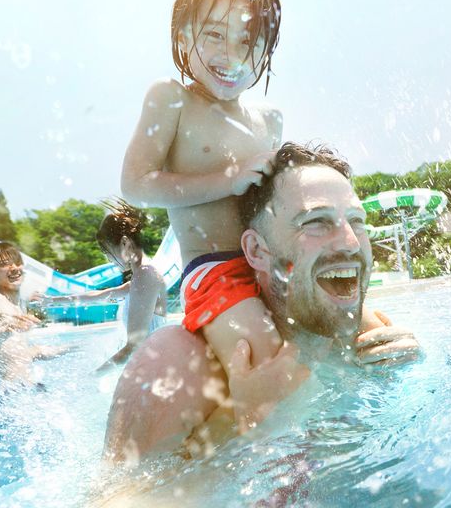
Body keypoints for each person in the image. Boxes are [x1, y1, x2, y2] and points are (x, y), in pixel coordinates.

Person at [119, 0, 392, 429]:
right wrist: (228, 179)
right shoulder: (172, 101)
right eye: (215, 35)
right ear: (183, 38)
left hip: (269, 262)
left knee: (364, 329)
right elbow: (136, 183)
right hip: (214, 269)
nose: (231, 55)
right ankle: (278, 462)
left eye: (247, 42)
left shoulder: (269, 118)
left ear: (267, 49)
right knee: (269, 357)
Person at [103, 143, 422, 465]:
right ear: (257, 251)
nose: (350, 242)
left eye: (356, 221)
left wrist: (414, 370)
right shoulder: (175, 363)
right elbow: (117, 498)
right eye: (316, 222)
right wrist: (240, 419)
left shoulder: (359, 340)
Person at [33, 199, 168, 370]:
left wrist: (93, 379)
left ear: (125, 243)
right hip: (149, 367)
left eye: (107, 252)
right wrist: (53, 300)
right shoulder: (139, 278)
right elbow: (100, 295)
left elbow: (133, 347)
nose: (109, 260)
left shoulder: (145, 275)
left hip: (152, 370)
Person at [0, 242, 70, 387]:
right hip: (10, 392)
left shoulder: (19, 304)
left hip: (29, 387)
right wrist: (2, 326)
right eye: (5, 264)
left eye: (18, 262)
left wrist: (68, 348)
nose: (14, 267)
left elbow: (17, 353)